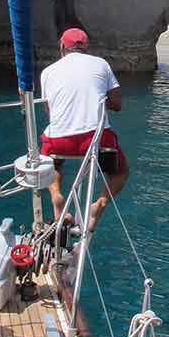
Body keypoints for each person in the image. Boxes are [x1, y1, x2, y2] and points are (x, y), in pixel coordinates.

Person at [39, 27, 129, 232]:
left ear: (62, 46)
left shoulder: (48, 72)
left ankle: (57, 197)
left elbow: (50, 111)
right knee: (121, 172)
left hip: (59, 141)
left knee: (51, 165)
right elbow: (117, 104)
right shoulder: (101, 64)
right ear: (86, 48)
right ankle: (100, 203)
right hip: (97, 140)